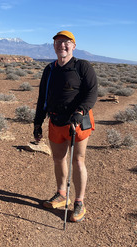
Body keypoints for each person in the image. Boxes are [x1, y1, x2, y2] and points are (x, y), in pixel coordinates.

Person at [33, 30, 98, 222]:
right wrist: (38, 122)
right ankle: (62, 194)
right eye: (58, 42)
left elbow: (92, 93)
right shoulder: (50, 69)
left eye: (66, 42)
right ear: (53, 46)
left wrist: (79, 112)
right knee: (58, 158)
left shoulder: (82, 67)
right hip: (56, 120)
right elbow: (42, 98)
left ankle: (79, 201)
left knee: (78, 160)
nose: (62, 45)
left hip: (78, 122)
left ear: (73, 46)